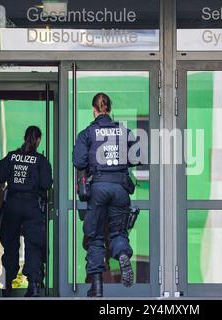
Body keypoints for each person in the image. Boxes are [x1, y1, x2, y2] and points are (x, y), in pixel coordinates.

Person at [73, 92, 140, 297]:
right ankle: (122, 255)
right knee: (118, 233)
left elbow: (79, 162)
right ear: (109, 109)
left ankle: (97, 286)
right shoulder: (123, 131)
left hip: (98, 189)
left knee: (95, 237)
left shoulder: (87, 133)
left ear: (94, 110)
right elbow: (137, 158)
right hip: (120, 189)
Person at [0, 126, 53, 297]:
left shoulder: (12, 156)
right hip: (32, 205)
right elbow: (46, 184)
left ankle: (6, 284)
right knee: (33, 245)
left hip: (12, 204)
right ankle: (34, 286)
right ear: (38, 140)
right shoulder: (41, 160)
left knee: (10, 245)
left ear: (25, 137)